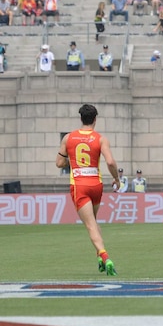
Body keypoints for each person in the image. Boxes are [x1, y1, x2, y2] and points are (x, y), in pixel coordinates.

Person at [55, 104, 121, 275]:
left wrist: (72, 158)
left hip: (79, 185)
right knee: (94, 222)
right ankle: (98, 257)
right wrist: (116, 179)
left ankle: (105, 257)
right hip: (96, 185)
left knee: (90, 225)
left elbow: (59, 163)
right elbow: (111, 162)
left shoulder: (68, 138)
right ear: (95, 119)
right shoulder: (100, 139)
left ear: (81, 118)